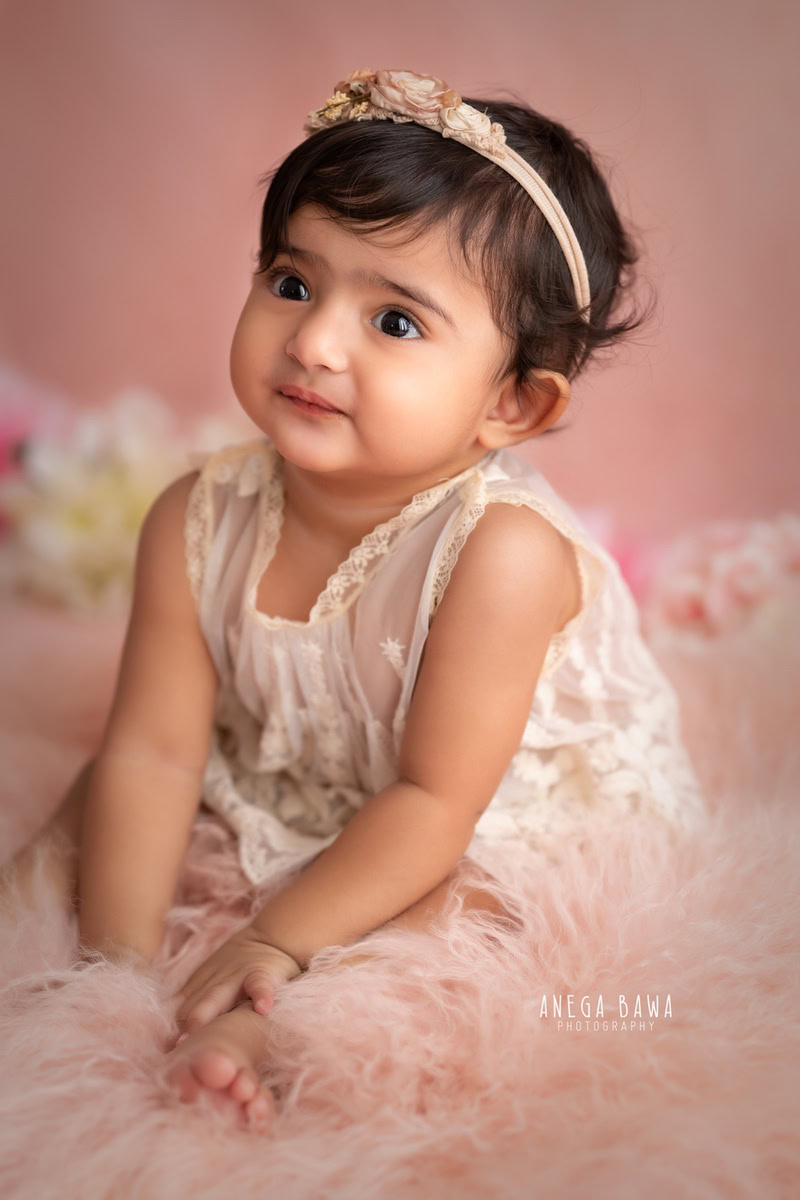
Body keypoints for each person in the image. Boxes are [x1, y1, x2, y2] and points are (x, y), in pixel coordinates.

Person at [0, 68, 706, 1130]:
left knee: (459, 917)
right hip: (311, 768)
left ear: (511, 403)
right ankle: (98, 985)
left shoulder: (495, 556)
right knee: (92, 807)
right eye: (292, 282)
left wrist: (273, 938)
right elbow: (153, 749)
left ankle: (260, 1021)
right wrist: (118, 971)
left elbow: (432, 803)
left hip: (472, 805)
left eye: (394, 321)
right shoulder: (193, 518)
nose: (315, 341)